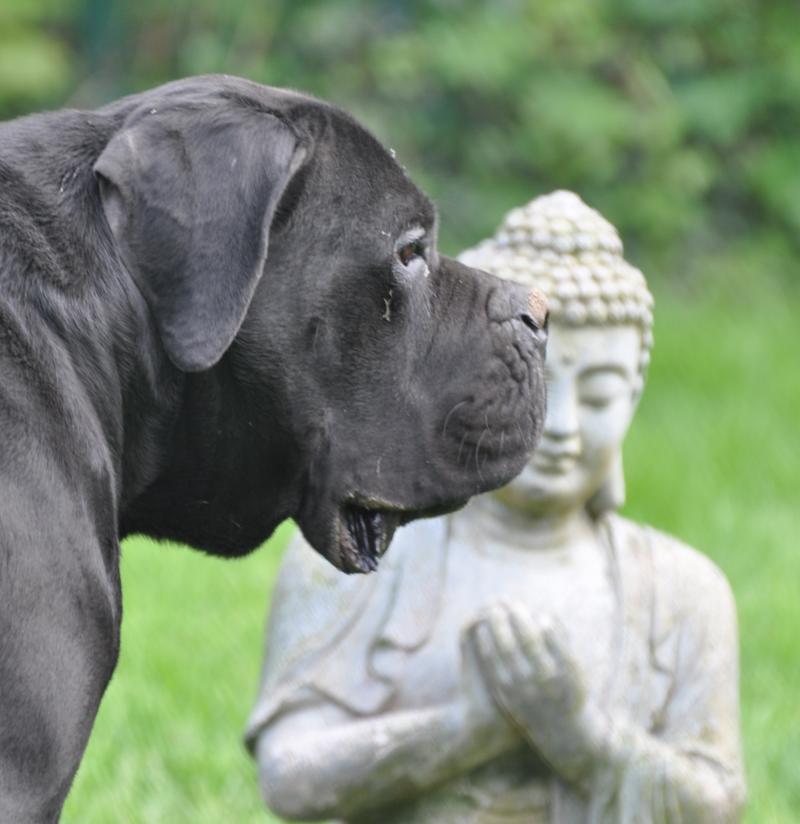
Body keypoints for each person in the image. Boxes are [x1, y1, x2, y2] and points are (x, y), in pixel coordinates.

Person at [246, 191, 746, 823]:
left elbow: (716, 803)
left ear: (635, 396)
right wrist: (471, 729)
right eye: (534, 383)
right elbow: (289, 776)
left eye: (599, 397)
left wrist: (580, 738)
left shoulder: (683, 593)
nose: (560, 426)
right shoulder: (359, 555)